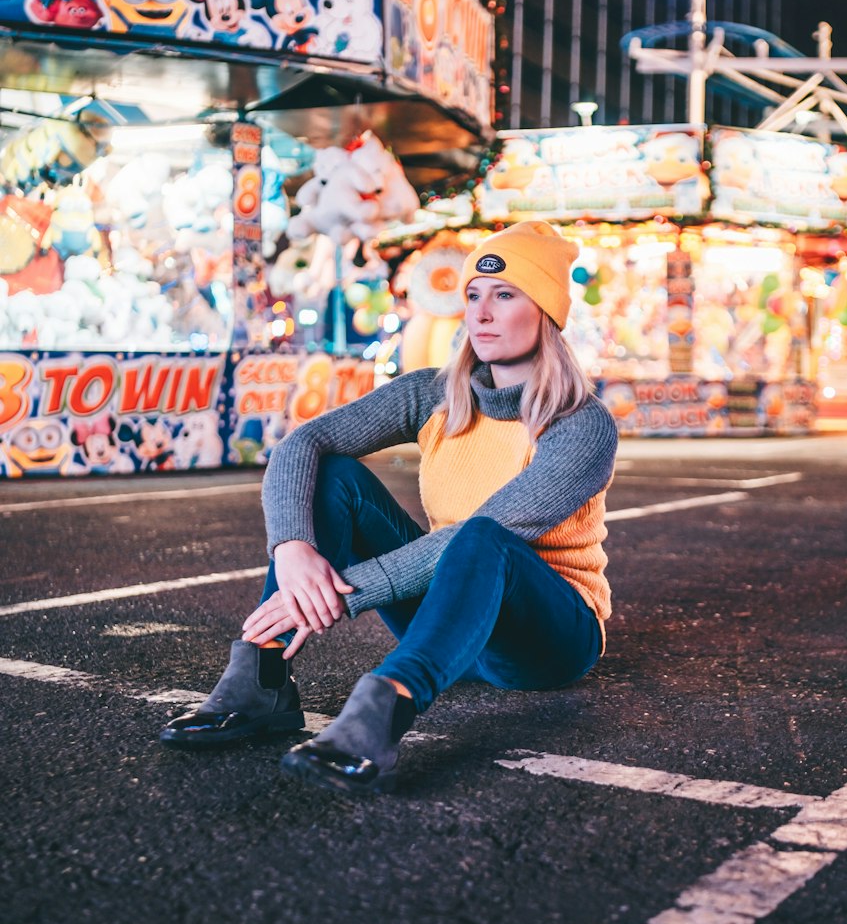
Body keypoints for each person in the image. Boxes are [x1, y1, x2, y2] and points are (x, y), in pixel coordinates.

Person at [160, 221, 618, 795]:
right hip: (451, 616)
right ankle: (262, 676)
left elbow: (484, 534)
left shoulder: (582, 424)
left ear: (547, 312)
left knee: (482, 537)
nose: (481, 313)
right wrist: (294, 550)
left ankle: (386, 708)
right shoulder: (433, 393)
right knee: (334, 475)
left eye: (505, 295)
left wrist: (340, 593)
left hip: (545, 641)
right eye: (473, 295)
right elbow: (302, 445)